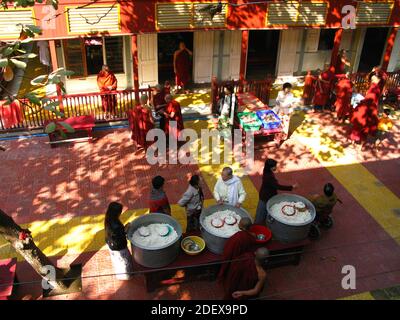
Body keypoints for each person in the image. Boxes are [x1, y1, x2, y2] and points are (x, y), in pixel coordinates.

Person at [255, 159, 297, 225]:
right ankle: (257, 225)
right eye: (274, 166)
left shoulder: (266, 171)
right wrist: (292, 187)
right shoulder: (269, 177)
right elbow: (278, 186)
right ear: (270, 167)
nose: (276, 167)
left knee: (264, 211)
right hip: (266, 196)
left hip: (265, 194)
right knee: (261, 213)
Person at [104, 202, 134, 280]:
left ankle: (121, 274)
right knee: (125, 262)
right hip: (119, 247)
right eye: (120, 212)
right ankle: (127, 276)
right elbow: (121, 236)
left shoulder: (108, 218)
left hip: (110, 244)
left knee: (118, 261)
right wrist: (126, 229)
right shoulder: (116, 225)